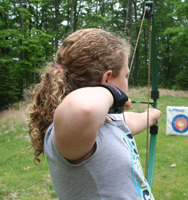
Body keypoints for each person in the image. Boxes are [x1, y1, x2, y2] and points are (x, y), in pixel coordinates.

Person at [28, 28, 161, 200]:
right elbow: (84, 108)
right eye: (126, 75)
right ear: (107, 80)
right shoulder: (72, 130)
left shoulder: (105, 121)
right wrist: (113, 93)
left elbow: (128, 122)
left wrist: (151, 115)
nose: (127, 83)